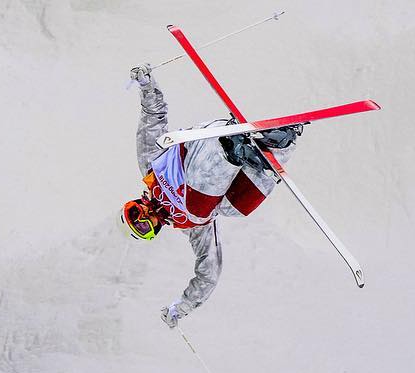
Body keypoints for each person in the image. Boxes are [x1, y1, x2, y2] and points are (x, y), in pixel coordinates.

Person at [123, 63, 302, 328]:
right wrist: (181, 307)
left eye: (135, 215)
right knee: (231, 210)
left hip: (209, 143)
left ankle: (230, 150)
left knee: (196, 210)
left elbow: (153, 117)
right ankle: (277, 144)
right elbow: (208, 273)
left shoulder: (150, 166)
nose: (145, 219)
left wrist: (147, 85)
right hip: (225, 173)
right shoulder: (190, 228)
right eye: (144, 228)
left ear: (134, 203)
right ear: (154, 233)